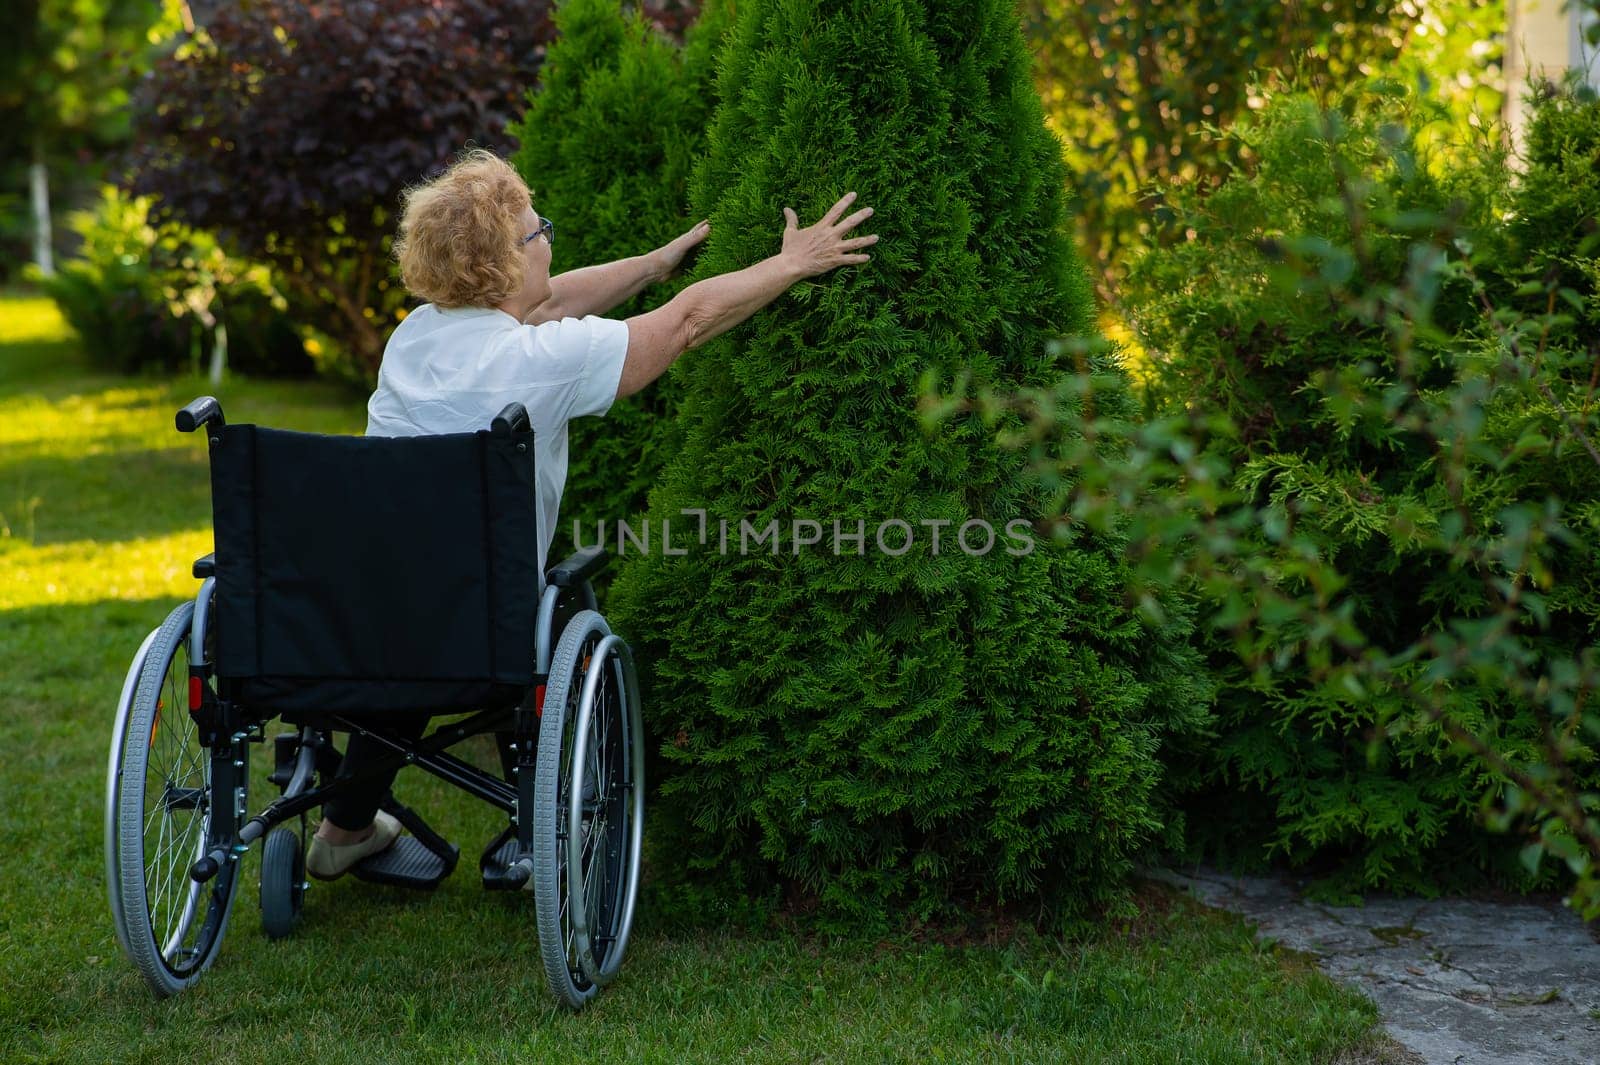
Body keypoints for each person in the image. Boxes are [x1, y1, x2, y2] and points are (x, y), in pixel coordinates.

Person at [305, 148, 878, 879]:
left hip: (366, 616)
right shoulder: (541, 363)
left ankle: (344, 826)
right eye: (537, 230)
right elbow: (689, 323)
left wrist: (651, 263)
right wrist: (796, 261)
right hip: (481, 630)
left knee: (410, 608)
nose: (549, 235)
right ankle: (535, 826)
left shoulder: (412, 339)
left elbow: (545, 303)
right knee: (552, 593)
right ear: (507, 265)